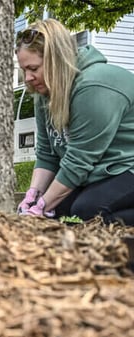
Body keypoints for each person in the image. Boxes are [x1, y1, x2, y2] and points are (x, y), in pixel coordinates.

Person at [15, 19, 134, 225]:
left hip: (127, 166)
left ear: (56, 60)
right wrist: (32, 197)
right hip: (102, 171)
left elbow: (78, 161)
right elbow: (47, 154)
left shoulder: (93, 87)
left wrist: (42, 206)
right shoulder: (44, 94)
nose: (28, 78)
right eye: (24, 70)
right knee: (57, 207)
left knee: (87, 210)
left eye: (33, 68)